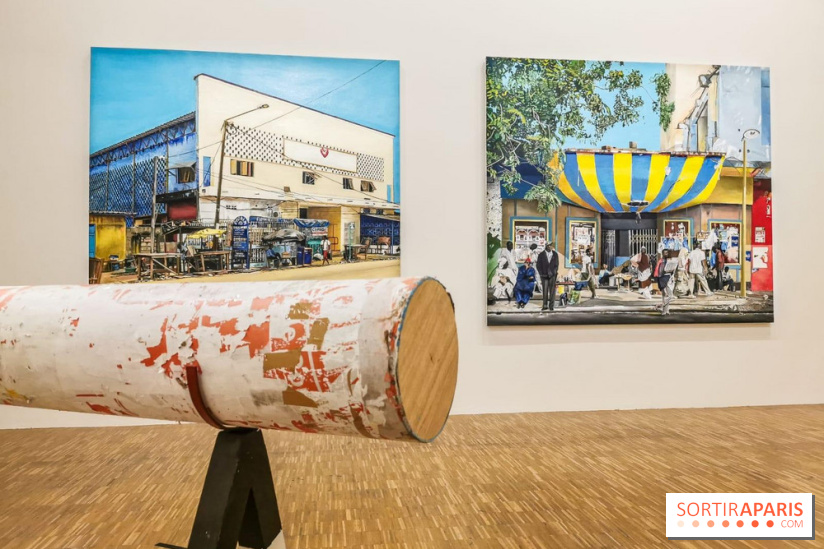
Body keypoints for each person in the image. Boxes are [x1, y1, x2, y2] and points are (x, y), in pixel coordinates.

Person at [537, 242, 559, 311]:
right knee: (545, 291)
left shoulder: (555, 254)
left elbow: (556, 265)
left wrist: (554, 273)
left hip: (552, 275)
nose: (550, 247)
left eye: (551, 245)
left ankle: (551, 306)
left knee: (552, 291)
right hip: (544, 275)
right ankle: (545, 305)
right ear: (546, 246)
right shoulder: (541, 255)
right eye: (549, 245)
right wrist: (541, 274)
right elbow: (538, 265)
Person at [655, 249, 678, 315]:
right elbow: (659, 272)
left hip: (670, 278)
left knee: (668, 295)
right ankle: (664, 309)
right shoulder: (661, 261)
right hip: (663, 279)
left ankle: (665, 309)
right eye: (664, 253)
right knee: (666, 295)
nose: (666, 254)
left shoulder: (670, 260)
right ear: (662, 254)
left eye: (667, 253)